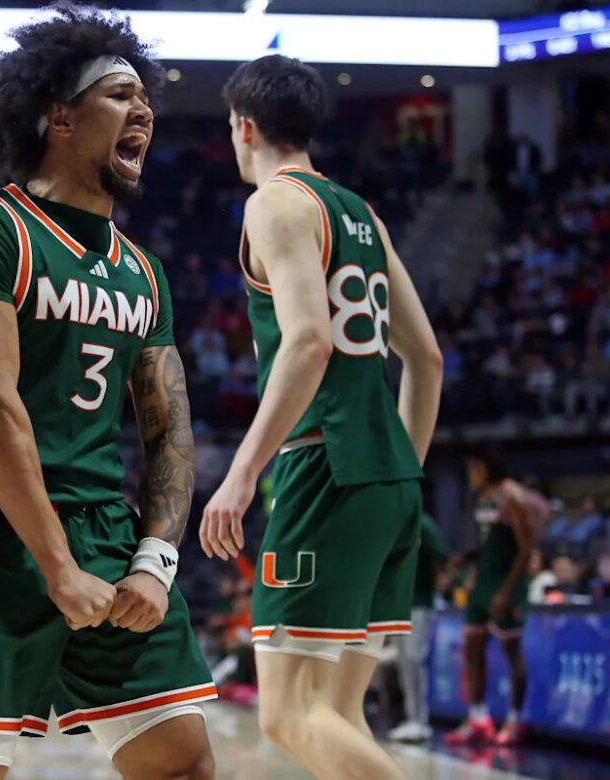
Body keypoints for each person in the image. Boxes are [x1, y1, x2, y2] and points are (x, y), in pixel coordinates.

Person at [0, 5, 216, 778]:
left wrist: (154, 561)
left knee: (182, 764)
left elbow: (170, 429)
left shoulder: (143, 272)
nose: (142, 110)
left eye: (145, 98)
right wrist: (55, 565)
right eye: (119, 94)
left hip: (106, 532)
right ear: (60, 118)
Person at [199, 54, 443, 780]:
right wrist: (399, 472)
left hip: (324, 465)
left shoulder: (275, 203)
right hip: (389, 476)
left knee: (287, 713)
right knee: (338, 714)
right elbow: (426, 359)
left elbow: (309, 340)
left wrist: (243, 472)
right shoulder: (361, 214)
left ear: (245, 127)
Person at [444, 451, 538, 747]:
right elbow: (492, 544)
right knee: (472, 647)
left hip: (506, 583)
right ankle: (478, 718)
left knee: (512, 651)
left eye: (473, 468)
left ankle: (515, 720)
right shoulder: (483, 498)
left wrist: (507, 590)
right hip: (483, 581)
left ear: (485, 468)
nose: (470, 475)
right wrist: (467, 557)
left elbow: (526, 549)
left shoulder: (513, 497)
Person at [388, 513, 449, 743]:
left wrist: (444, 582)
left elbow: (443, 559)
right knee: (403, 661)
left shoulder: (424, 526)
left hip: (420, 602)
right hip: (398, 603)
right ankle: (411, 716)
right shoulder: (393, 524)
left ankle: (420, 720)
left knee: (414, 658)